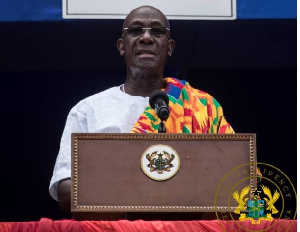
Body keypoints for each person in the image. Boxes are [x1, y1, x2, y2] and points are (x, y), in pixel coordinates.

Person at [49, 5, 234, 212]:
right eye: (136, 31)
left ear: (170, 47)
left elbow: (235, 178)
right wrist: (135, 192)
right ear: (121, 46)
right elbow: (65, 191)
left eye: (157, 31)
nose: (146, 38)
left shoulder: (202, 106)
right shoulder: (88, 110)